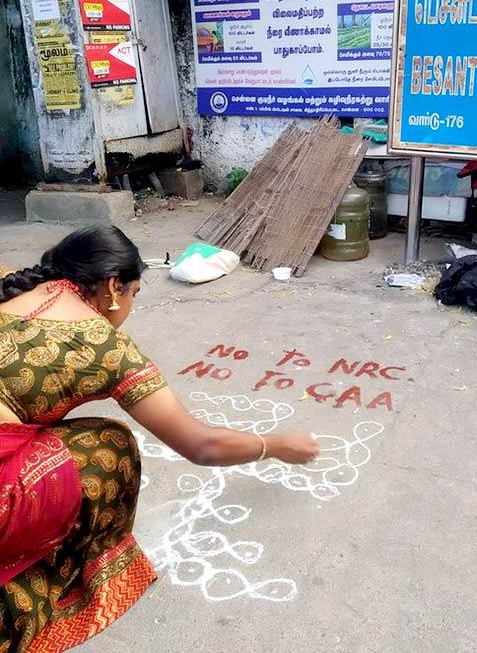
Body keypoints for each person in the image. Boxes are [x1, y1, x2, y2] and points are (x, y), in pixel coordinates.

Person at [0, 226, 319, 652]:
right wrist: (276, 446)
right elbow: (200, 445)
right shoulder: (103, 344)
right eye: (133, 293)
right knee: (108, 446)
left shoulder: (9, 285)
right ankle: (33, 593)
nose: (130, 306)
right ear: (114, 287)